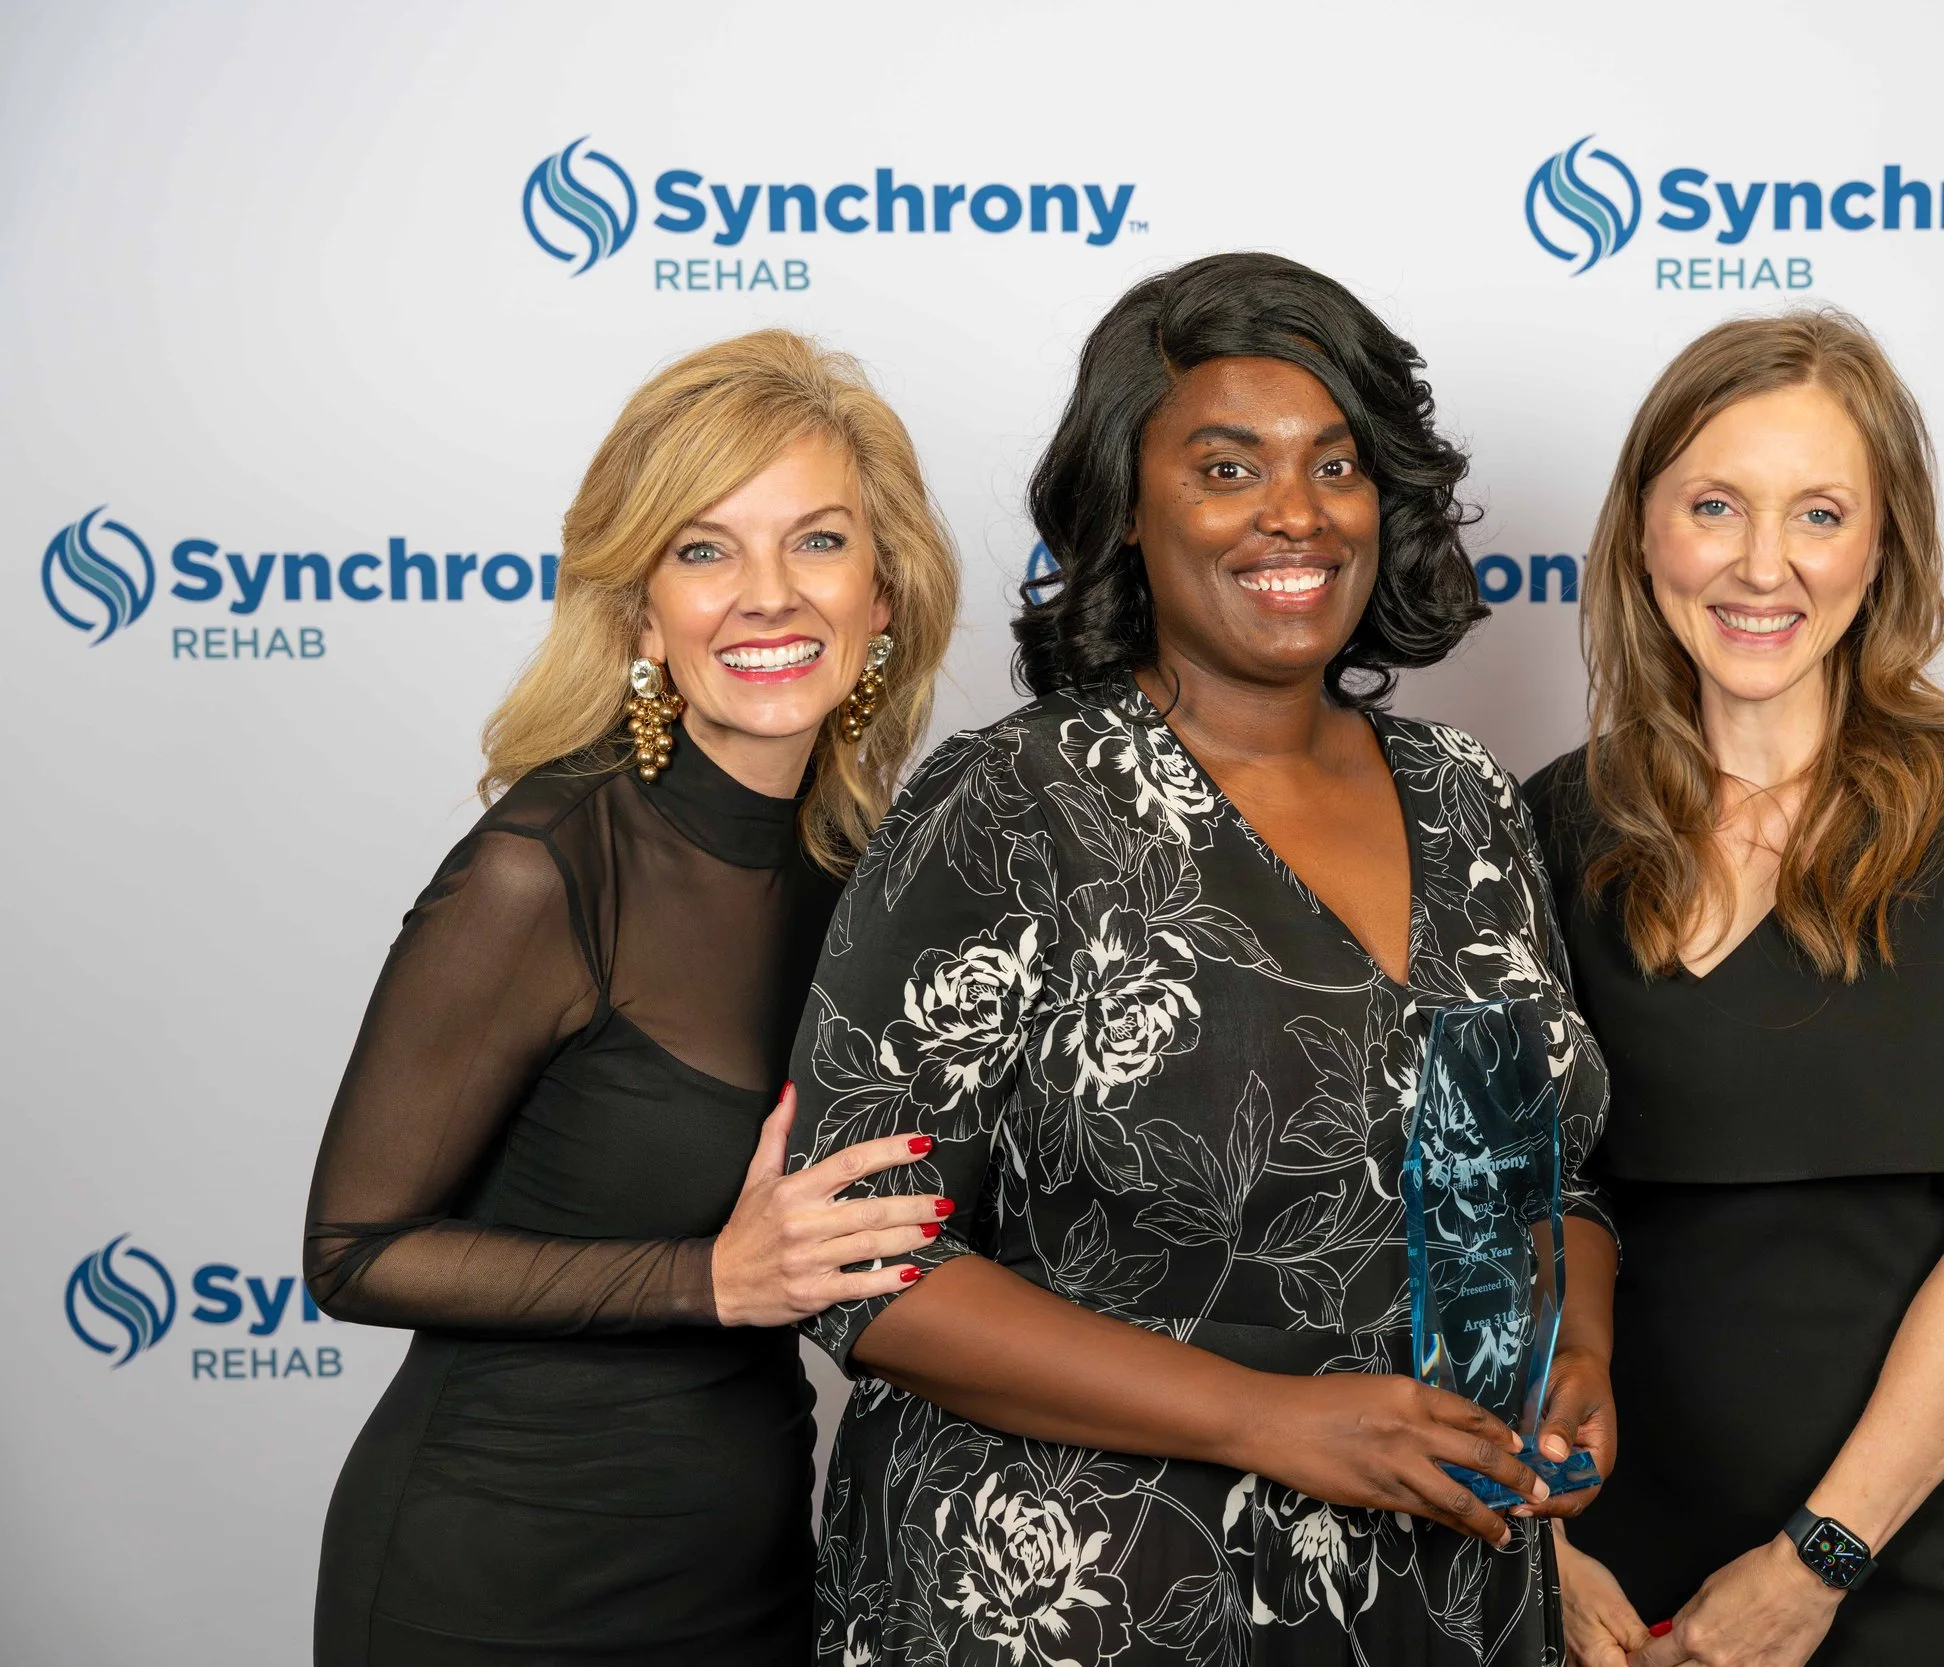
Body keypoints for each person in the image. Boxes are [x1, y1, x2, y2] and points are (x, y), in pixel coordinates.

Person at [788, 252, 1616, 1666]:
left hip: (1427, 1598)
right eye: (1227, 468)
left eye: (1334, 464)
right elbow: (865, 1265)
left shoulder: (1465, 796)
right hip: (1086, 1601)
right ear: (1123, 512)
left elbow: (1527, 1177)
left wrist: (1574, 1348)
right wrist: (1272, 1419)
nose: (1294, 512)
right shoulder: (1013, 805)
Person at [1528, 310, 1944, 1667]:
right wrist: (1540, 1545)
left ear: (1882, 543)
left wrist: (1813, 1563)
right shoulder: (1549, 826)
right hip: (1608, 1571)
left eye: (1820, 512)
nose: (1761, 564)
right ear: (1643, 530)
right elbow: (1506, 1222)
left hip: (1901, 1565)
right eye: (1714, 505)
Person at [304, 330, 960, 1666]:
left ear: (882, 594)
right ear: (640, 611)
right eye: (705, 549)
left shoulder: (865, 871)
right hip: (499, 1583)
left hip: (752, 1570)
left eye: (818, 542)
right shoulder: (544, 870)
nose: (767, 595)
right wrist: (709, 1277)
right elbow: (353, 1250)